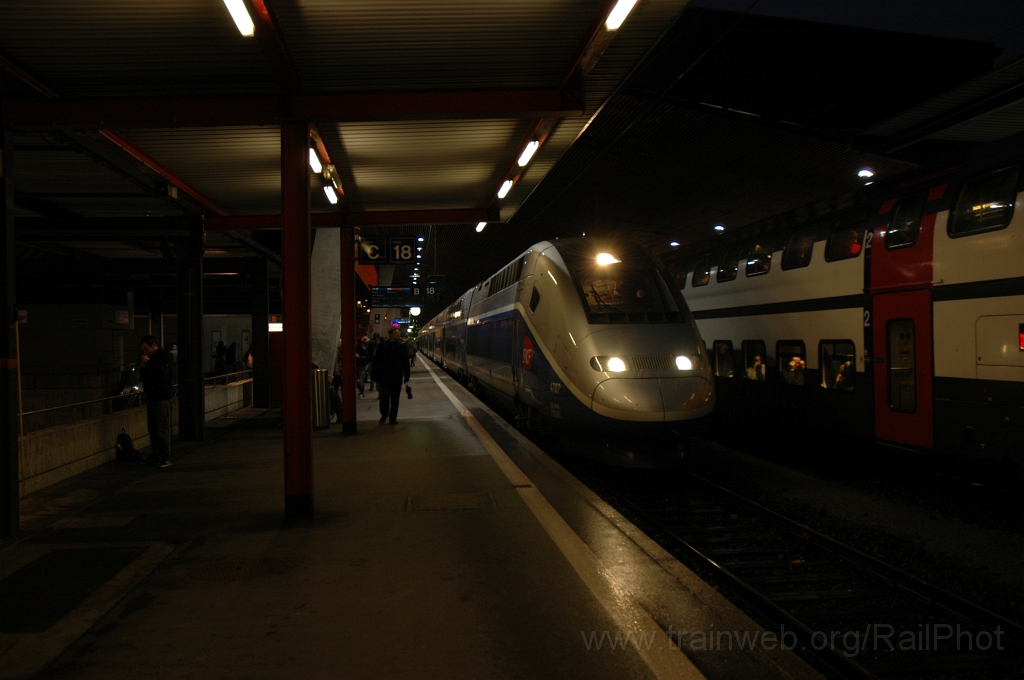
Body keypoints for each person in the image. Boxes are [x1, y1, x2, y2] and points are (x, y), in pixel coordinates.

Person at [139, 335, 175, 468]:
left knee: (162, 429)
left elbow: (162, 374)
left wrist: (147, 364)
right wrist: (144, 367)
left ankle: (166, 457)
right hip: (151, 397)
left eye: (146, 348)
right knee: (153, 429)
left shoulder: (165, 357)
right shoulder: (151, 359)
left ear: (154, 345)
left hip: (161, 397)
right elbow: (144, 377)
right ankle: (156, 455)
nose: (145, 352)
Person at [371, 327, 411, 425]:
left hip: (397, 376)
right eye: (396, 333)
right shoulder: (383, 346)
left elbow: (406, 362)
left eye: (398, 333)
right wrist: (376, 374)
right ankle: (385, 414)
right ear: (390, 334)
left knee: (395, 398)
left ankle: (393, 417)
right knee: (384, 397)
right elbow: (377, 361)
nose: (398, 334)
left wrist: (407, 376)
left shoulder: (402, 346)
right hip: (385, 376)